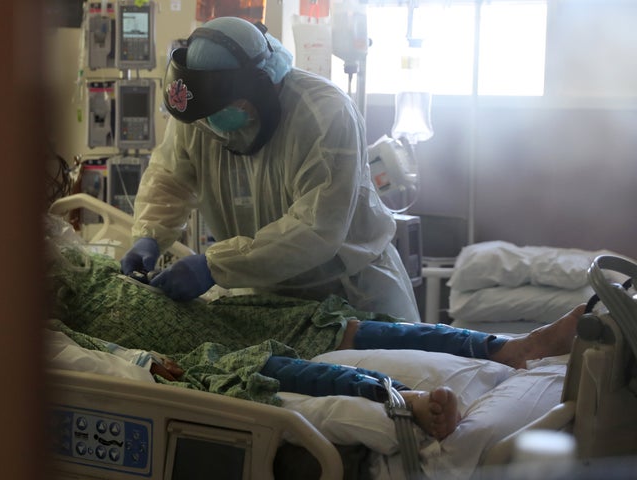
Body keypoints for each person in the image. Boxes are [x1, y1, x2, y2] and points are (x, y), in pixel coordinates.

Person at [48, 230, 584, 441]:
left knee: (329, 323)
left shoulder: (312, 111)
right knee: (251, 367)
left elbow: (316, 223)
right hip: (166, 347)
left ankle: (513, 347)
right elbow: (169, 177)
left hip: (200, 306)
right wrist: (148, 227)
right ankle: (401, 399)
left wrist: (156, 260)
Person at [120, 16, 420, 322]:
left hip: (348, 294)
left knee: (377, 368)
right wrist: (150, 234)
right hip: (261, 297)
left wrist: (215, 266)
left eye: (220, 110)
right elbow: (169, 177)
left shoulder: (324, 115)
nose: (212, 126)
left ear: (261, 87)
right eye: (205, 115)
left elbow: (315, 229)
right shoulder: (200, 115)